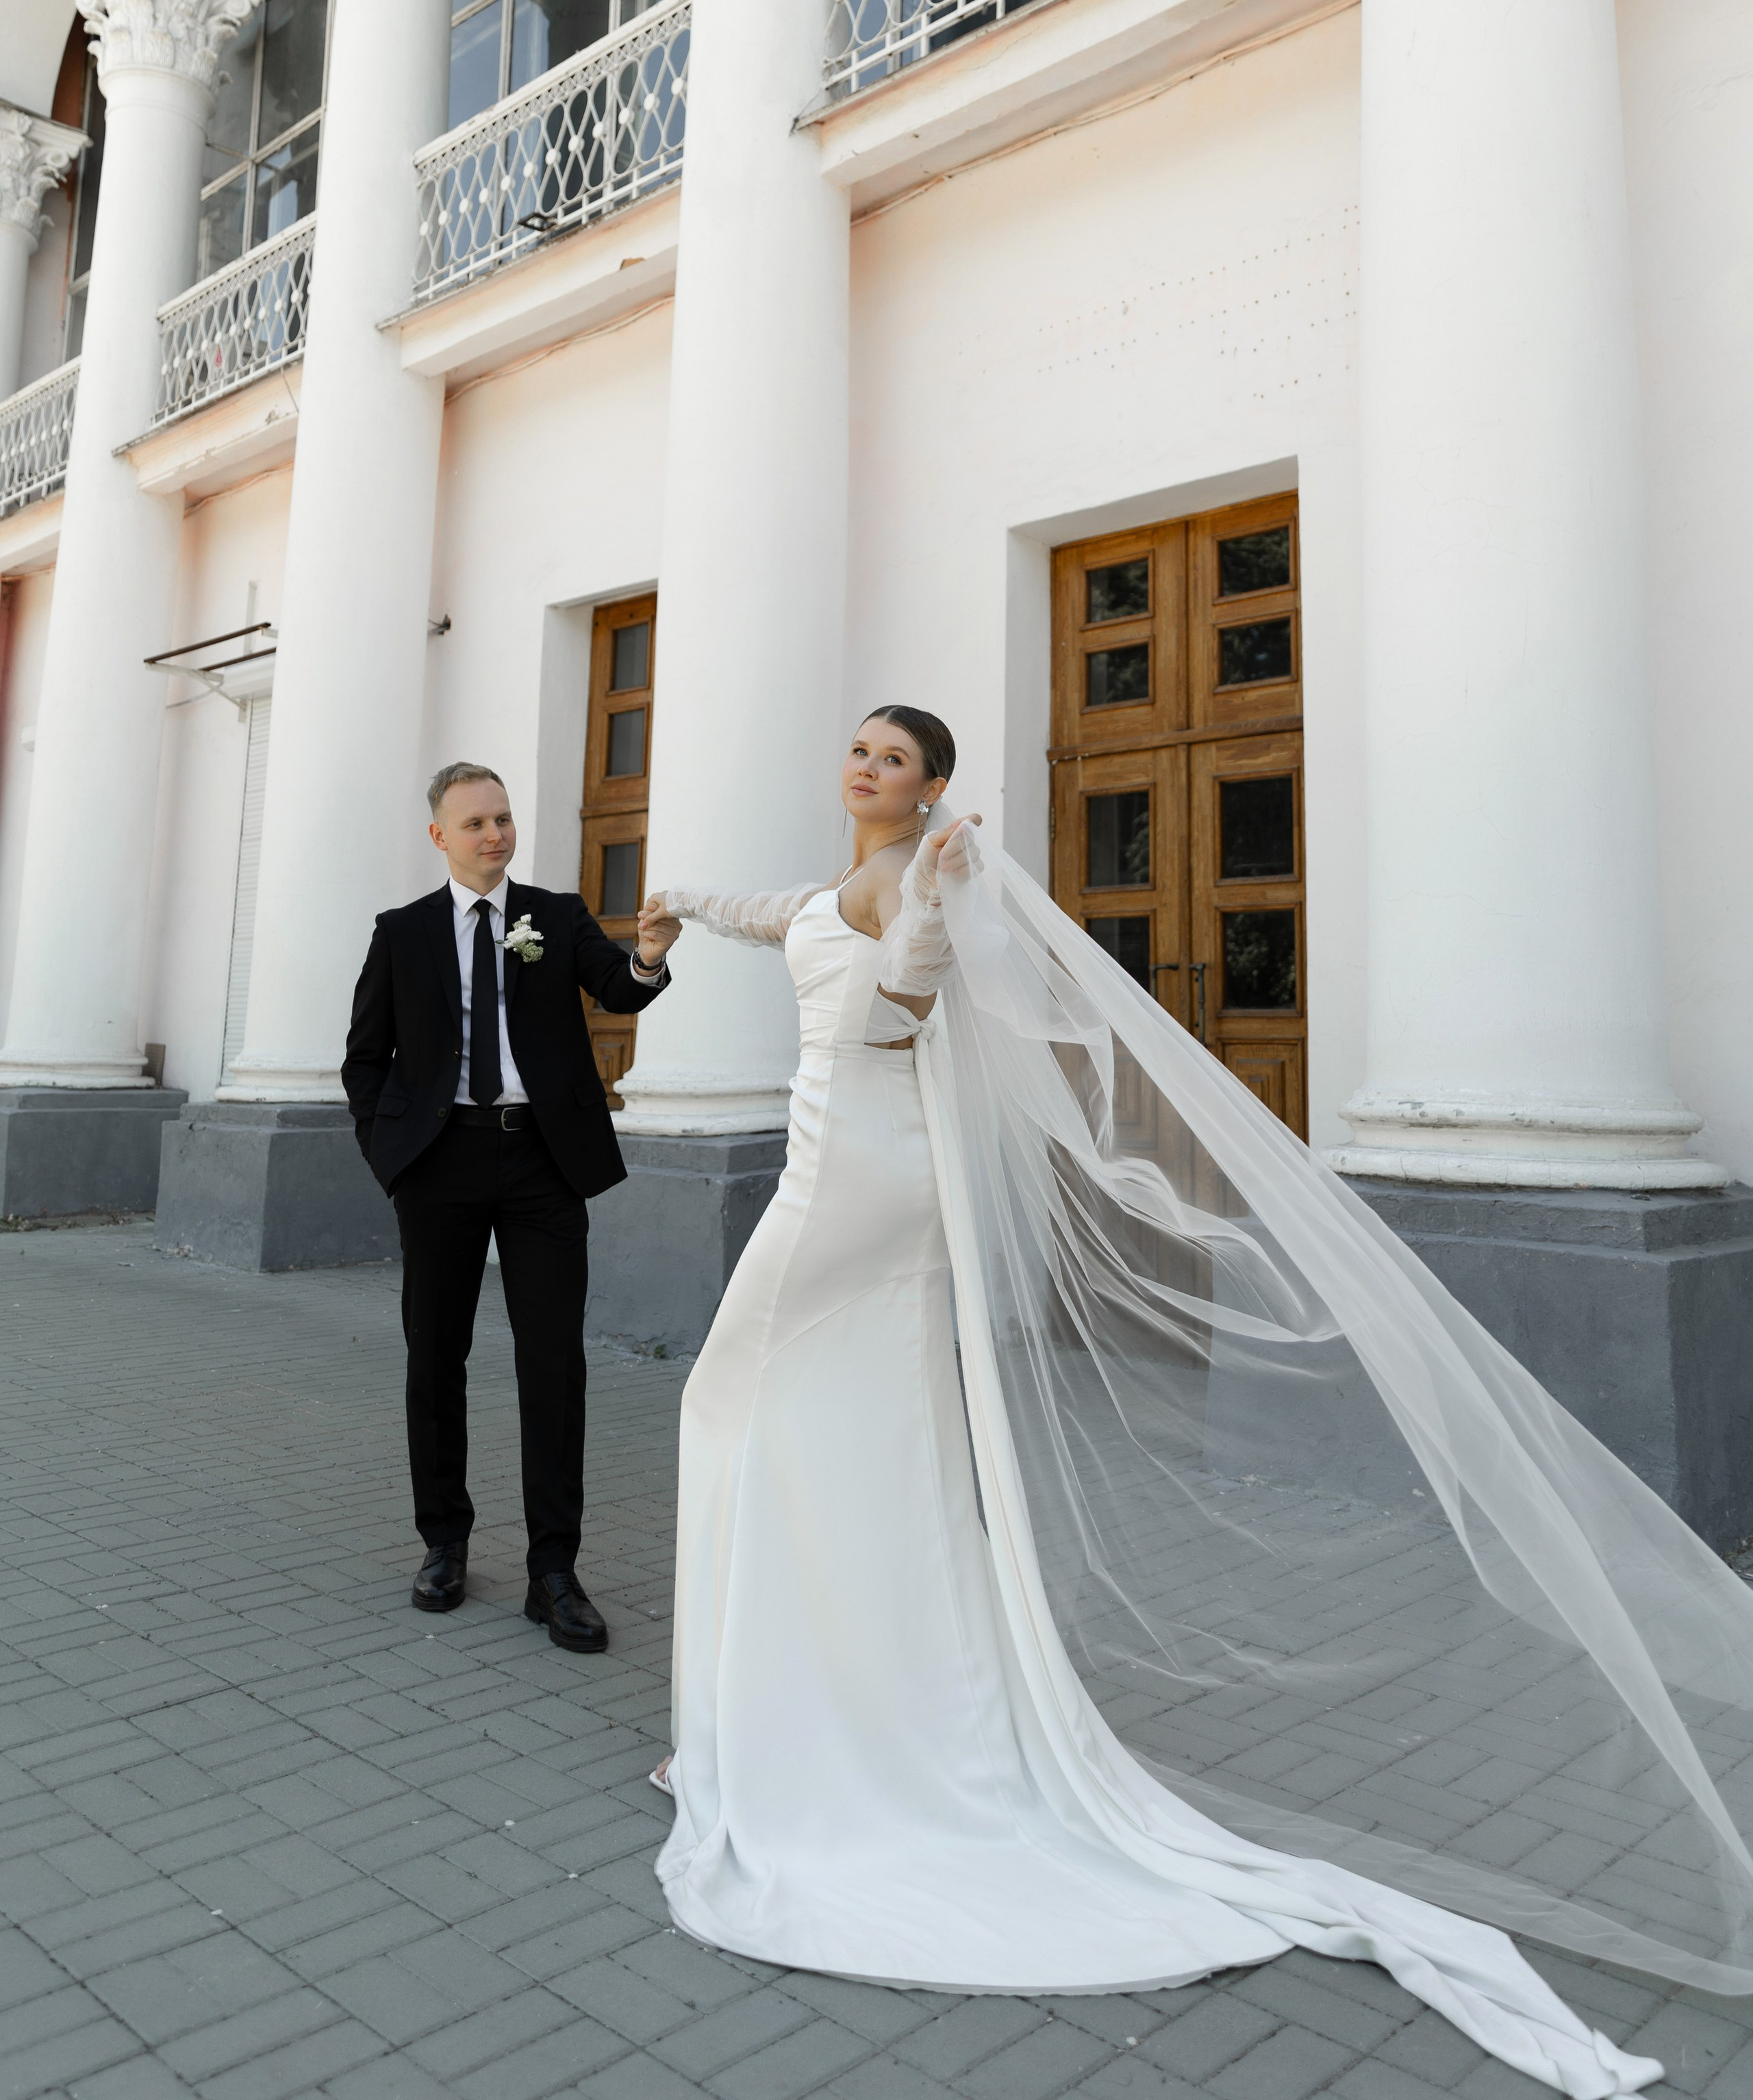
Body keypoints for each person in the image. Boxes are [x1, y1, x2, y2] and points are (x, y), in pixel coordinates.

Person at [638, 707, 1753, 2099]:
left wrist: (929, 909)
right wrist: (671, 905)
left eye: (893, 760)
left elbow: (899, 1016)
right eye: (857, 750)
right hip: (853, 1174)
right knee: (818, 1428)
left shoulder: (919, 878)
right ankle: (790, 1708)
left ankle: (805, 1730)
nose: (864, 767)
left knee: (735, 1411)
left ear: (933, 790)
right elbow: (773, 915)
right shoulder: (833, 885)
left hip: (850, 1185)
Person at [342, 760, 678, 1647]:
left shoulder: (552, 917)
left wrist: (647, 955)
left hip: (541, 1164)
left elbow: (617, 987)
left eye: (503, 818)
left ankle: (554, 1571)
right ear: (440, 837)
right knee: (435, 1360)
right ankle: (444, 1543)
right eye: (477, 822)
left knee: (553, 1366)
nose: (496, 834)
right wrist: (393, 1156)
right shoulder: (402, 932)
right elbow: (363, 1058)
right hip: (439, 1163)